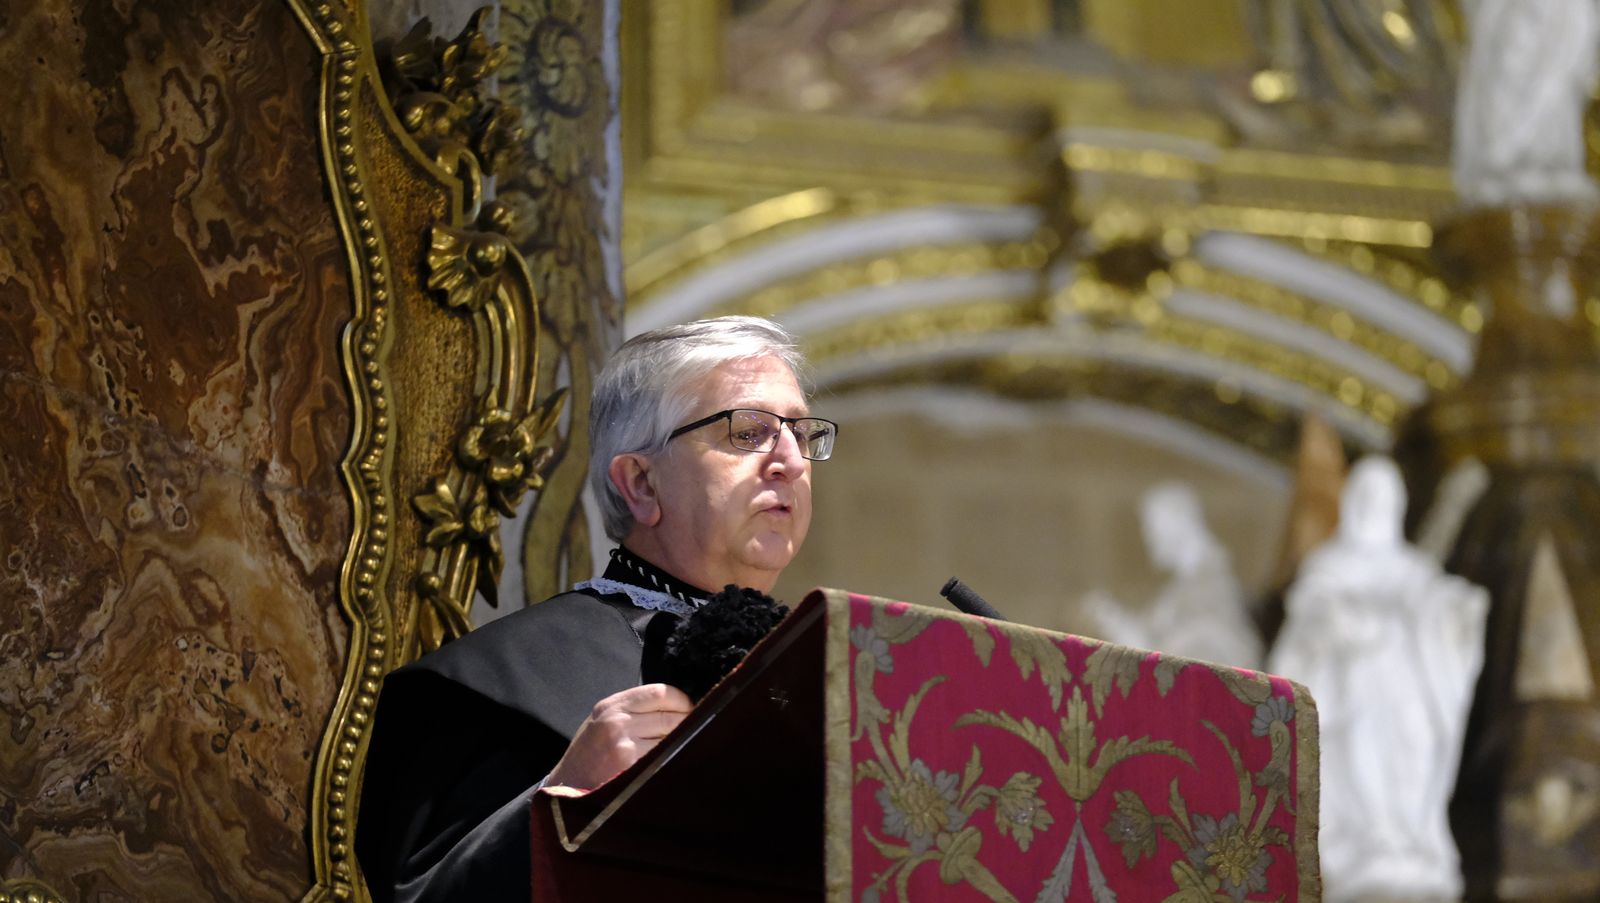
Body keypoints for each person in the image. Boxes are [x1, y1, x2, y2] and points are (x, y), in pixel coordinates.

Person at [355, 316, 837, 902]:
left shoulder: (834, 675)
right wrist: (562, 800)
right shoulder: (493, 684)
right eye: (747, 433)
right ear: (641, 483)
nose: (791, 459)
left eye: (802, 434)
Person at [1267, 455, 1488, 903]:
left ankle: (1407, 836)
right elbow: (1309, 621)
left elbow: (1436, 607)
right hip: (1353, 701)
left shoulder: (1411, 568)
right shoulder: (1329, 565)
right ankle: (1373, 838)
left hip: (1409, 701)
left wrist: (1458, 610)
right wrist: (1345, 626)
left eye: (1383, 497)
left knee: (1412, 751)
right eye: (1365, 495)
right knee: (1363, 752)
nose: (1373, 505)